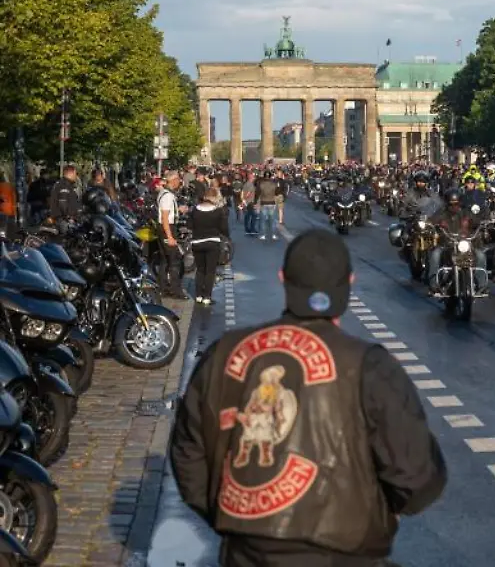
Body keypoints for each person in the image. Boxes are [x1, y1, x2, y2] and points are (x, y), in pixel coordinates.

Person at [170, 229, 447, 567]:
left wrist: (232, 514)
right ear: (350, 282)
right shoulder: (369, 365)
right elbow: (418, 476)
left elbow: (187, 451)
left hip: (246, 553)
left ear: (283, 279)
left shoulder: (224, 352)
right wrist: (380, 508)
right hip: (346, 553)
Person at [190, 186, 230, 305]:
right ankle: (207, 296)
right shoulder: (218, 211)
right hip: (212, 242)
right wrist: (226, 236)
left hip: (197, 242)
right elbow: (224, 228)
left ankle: (198, 295)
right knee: (210, 271)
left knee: (200, 270)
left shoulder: (195, 210)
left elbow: (189, 225)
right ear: (214, 197)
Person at [157, 171, 188, 299]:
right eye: (178, 180)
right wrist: (169, 236)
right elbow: (164, 217)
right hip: (167, 228)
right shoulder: (167, 196)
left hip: (165, 228)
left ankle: (163, 289)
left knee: (165, 260)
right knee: (175, 260)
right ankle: (176, 291)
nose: (179, 182)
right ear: (173, 180)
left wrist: (178, 210)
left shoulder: (165, 194)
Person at [255, 172, 279, 240]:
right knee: (272, 220)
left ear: (264, 177)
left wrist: (255, 202)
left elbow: (257, 193)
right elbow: (277, 193)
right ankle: (273, 235)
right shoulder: (274, 184)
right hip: (272, 202)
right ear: (270, 176)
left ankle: (263, 235)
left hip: (263, 203)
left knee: (262, 220)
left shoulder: (261, 184)